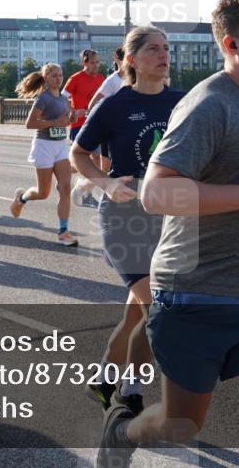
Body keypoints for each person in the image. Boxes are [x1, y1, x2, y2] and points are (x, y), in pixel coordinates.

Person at [96, 0, 239, 468]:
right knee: (181, 424)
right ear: (231, 43)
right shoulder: (209, 104)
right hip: (197, 292)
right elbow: (156, 195)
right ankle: (122, 430)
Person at [70, 26, 185, 420]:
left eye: (166, 48)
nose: (163, 54)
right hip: (124, 217)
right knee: (158, 306)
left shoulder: (183, 102)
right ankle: (132, 390)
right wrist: (105, 183)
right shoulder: (115, 105)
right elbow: (78, 153)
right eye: (153, 49)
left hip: (169, 218)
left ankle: (104, 379)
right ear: (132, 60)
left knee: (138, 311)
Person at [10, 63, 79, 247]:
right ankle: (21, 198)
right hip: (44, 146)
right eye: (54, 75)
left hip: (60, 146)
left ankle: (63, 231)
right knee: (43, 193)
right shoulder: (43, 98)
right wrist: (54, 122)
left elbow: (64, 121)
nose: (59, 78)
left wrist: (71, 119)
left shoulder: (64, 99)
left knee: (65, 188)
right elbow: (30, 123)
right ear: (46, 78)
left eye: (60, 75)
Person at [66, 49, 105, 207]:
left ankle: (86, 194)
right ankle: (63, 173)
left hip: (95, 125)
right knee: (82, 162)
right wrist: (73, 111)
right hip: (78, 126)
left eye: (97, 62)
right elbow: (61, 98)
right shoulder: (75, 78)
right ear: (84, 62)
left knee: (98, 163)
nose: (96, 65)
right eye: (92, 62)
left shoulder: (101, 79)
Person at [86, 46, 127, 177]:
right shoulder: (112, 81)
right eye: (126, 58)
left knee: (125, 169)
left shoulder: (135, 78)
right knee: (105, 171)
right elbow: (92, 104)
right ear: (117, 60)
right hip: (111, 131)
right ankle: (82, 186)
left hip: (128, 129)